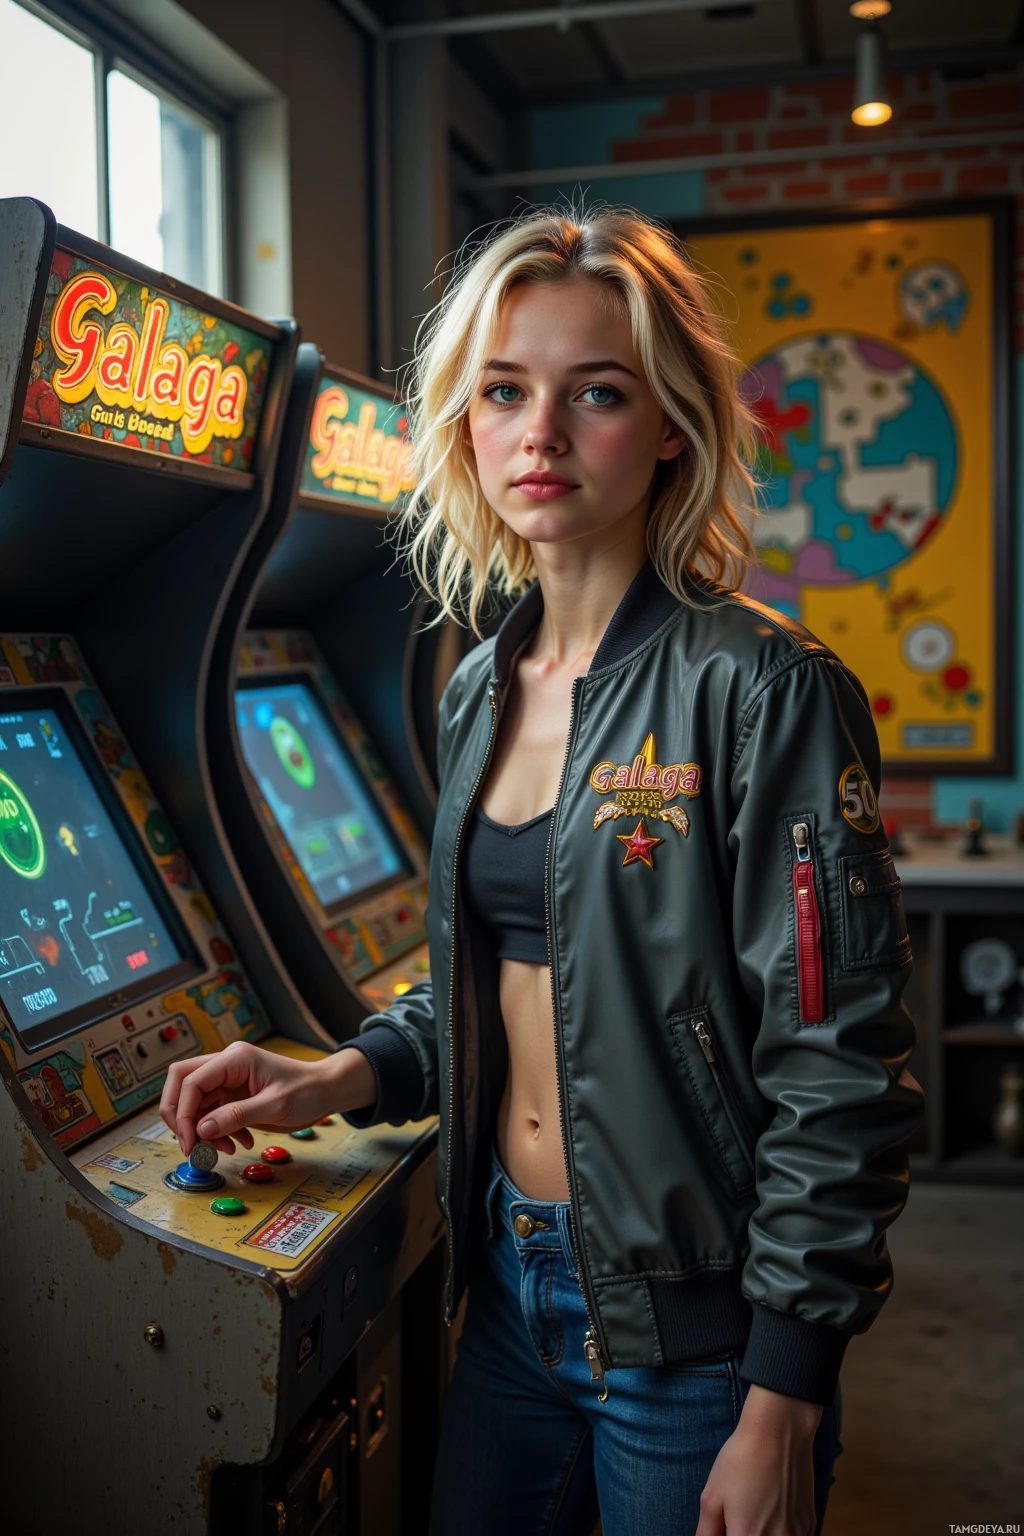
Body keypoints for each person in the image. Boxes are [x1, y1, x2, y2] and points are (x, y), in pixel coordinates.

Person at [161, 206, 924, 1536]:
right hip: (506, 1293)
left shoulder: (764, 690)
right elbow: (520, 977)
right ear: (464, 420)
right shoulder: (479, 690)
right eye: (504, 390)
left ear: (674, 423)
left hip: (695, 1336)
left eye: (599, 393)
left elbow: (841, 1064)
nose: (542, 435)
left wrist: (786, 1396)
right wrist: (341, 1072)